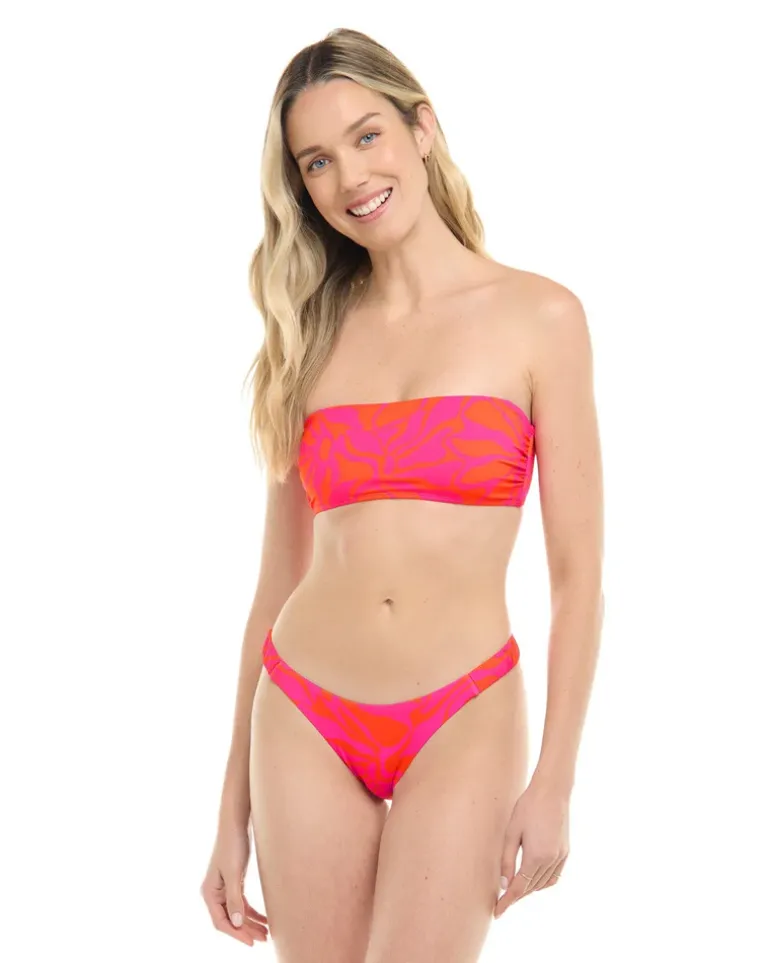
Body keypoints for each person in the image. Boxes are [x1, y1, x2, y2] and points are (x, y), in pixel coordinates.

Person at [200, 26, 605, 963]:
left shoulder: (541, 316)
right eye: (317, 161)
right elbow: (274, 584)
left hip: (463, 710)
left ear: (423, 129)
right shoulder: (308, 336)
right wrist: (230, 810)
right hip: (303, 711)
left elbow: (578, 576)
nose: (350, 176)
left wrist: (555, 779)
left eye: (368, 135)